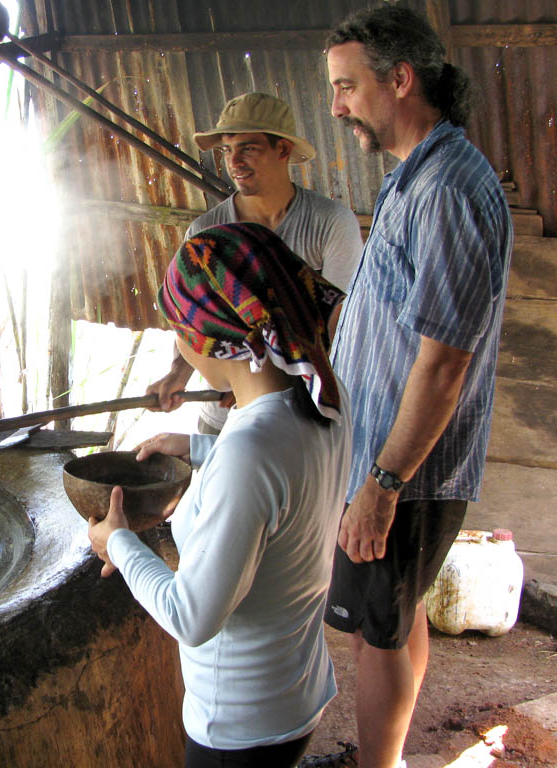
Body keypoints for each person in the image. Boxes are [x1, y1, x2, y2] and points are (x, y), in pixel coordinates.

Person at [317, 5, 514, 768]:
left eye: (346, 87)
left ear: (400, 80)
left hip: (409, 466)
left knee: (376, 631)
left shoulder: (448, 190)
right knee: (396, 617)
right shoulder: (416, 177)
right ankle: (388, 760)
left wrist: (383, 482)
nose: (336, 107)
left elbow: (443, 364)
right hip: (388, 456)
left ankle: (379, 767)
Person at [88, 222, 353, 768]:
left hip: (239, 726)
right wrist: (201, 447)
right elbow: (284, 476)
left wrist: (118, 544)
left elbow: (192, 617)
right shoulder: (321, 391)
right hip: (296, 694)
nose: (180, 345)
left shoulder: (251, 451)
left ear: (214, 337)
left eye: (180, 330)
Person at [147, 91, 362, 435]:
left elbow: (336, 327)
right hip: (221, 415)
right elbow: (196, 319)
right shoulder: (206, 232)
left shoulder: (331, 223)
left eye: (248, 148)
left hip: (297, 415)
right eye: (227, 150)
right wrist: (178, 373)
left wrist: (253, 382)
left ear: (283, 150)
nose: (234, 162)